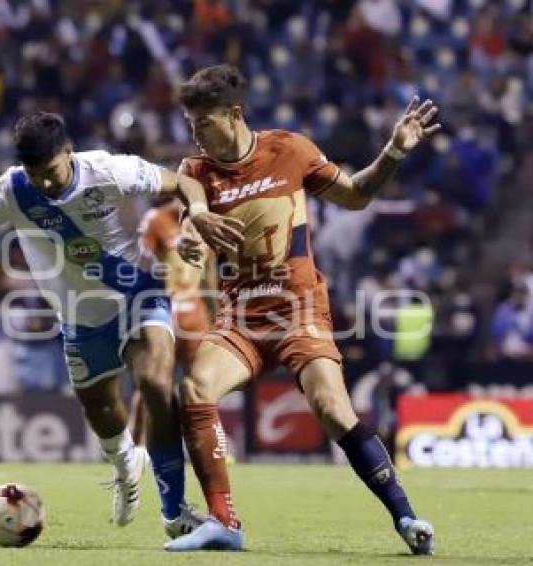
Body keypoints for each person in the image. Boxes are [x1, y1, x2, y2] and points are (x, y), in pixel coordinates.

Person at [0, 112, 243, 538]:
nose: (45, 184)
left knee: (157, 388)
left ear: (68, 153)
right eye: (37, 175)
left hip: (137, 297)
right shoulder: (12, 190)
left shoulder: (107, 169)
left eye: (51, 172)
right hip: (78, 319)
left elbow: (185, 183)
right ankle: (126, 463)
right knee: (103, 413)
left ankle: (174, 513)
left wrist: (197, 213)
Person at [164, 65, 439, 554]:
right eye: (190, 125)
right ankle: (224, 522)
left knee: (333, 409)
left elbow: (355, 196)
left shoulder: (290, 150)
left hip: (298, 308)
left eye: (203, 123)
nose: (196, 134)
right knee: (194, 388)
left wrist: (394, 152)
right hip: (239, 317)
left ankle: (406, 518)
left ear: (234, 114)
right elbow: (191, 216)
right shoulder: (195, 171)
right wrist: (190, 238)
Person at [129, 198, 211, 445]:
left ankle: (207, 446)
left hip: (196, 311)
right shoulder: (156, 220)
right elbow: (138, 262)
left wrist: (216, 311)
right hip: (164, 308)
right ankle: (136, 445)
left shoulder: (206, 221)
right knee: (155, 381)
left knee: (202, 383)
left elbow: (210, 270)